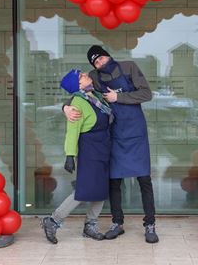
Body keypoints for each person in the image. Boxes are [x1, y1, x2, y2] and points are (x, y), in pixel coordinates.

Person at [63, 45, 159, 244]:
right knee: (114, 182)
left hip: (135, 134)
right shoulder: (94, 77)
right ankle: (117, 223)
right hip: (114, 135)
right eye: (96, 63)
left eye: (101, 59)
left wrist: (119, 97)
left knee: (144, 180)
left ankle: (150, 224)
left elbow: (146, 94)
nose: (100, 64)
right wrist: (64, 107)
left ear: (108, 55)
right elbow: (78, 94)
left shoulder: (129, 67)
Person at [41, 69, 112, 244]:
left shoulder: (95, 98)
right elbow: (72, 132)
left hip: (103, 148)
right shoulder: (77, 104)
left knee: (101, 189)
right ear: (78, 84)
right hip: (90, 150)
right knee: (84, 190)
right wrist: (70, 155)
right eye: (82, 76)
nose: (87, 75)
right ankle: (53, 220)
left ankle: (90, 225)